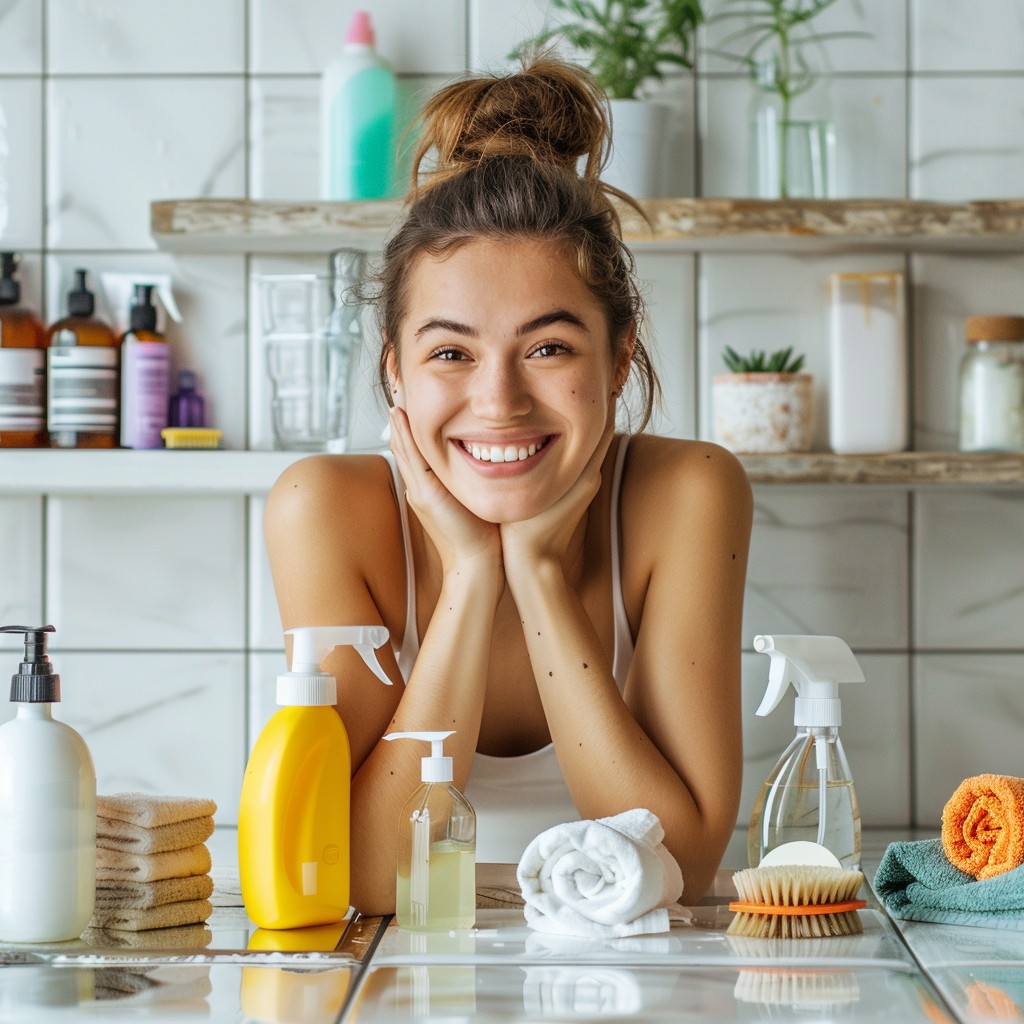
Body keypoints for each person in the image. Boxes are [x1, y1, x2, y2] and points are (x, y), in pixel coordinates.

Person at [264, 56, 753, 916]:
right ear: (396, 373)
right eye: (450, 353)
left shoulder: (690, 493)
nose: (498, 402)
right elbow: (373, 879)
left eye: (549, 348)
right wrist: (470, 576)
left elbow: (682, 865)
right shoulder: (324, 509)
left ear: (619, 358)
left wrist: (537, 573)